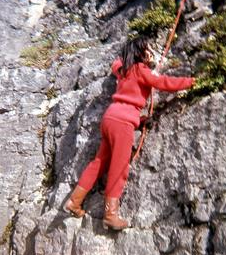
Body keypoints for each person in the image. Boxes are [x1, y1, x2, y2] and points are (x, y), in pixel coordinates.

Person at [64, 35, 195, 230]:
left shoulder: (123, 69)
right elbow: (164, 83)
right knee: (119, 168)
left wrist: (139, 119)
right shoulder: (142, 70)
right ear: (141, 53)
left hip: (110, 118)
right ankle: (110, 214)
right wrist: (190, 81)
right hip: (123, 123)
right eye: (148, 49)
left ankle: (74, 201)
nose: (151, 53)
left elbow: (115, 64)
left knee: (98, 163)